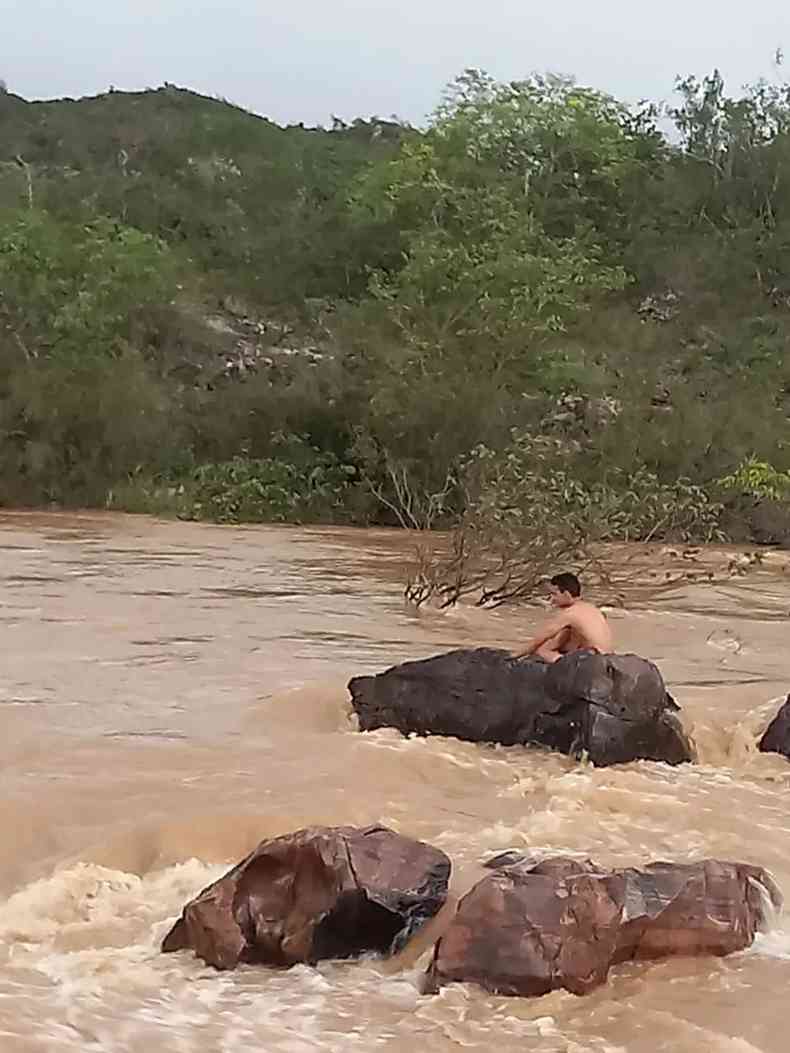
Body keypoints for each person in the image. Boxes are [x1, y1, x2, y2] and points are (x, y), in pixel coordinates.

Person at [514, 572, 612, 663]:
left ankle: (562, 663)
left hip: (593, 657)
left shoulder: (570, 613)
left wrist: (515, 655)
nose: (551, 599)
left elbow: (540, 639)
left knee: (542, 651)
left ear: (566, 594)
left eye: (554, 594)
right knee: (566, 633)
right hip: (607, 654)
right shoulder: (591, 608)